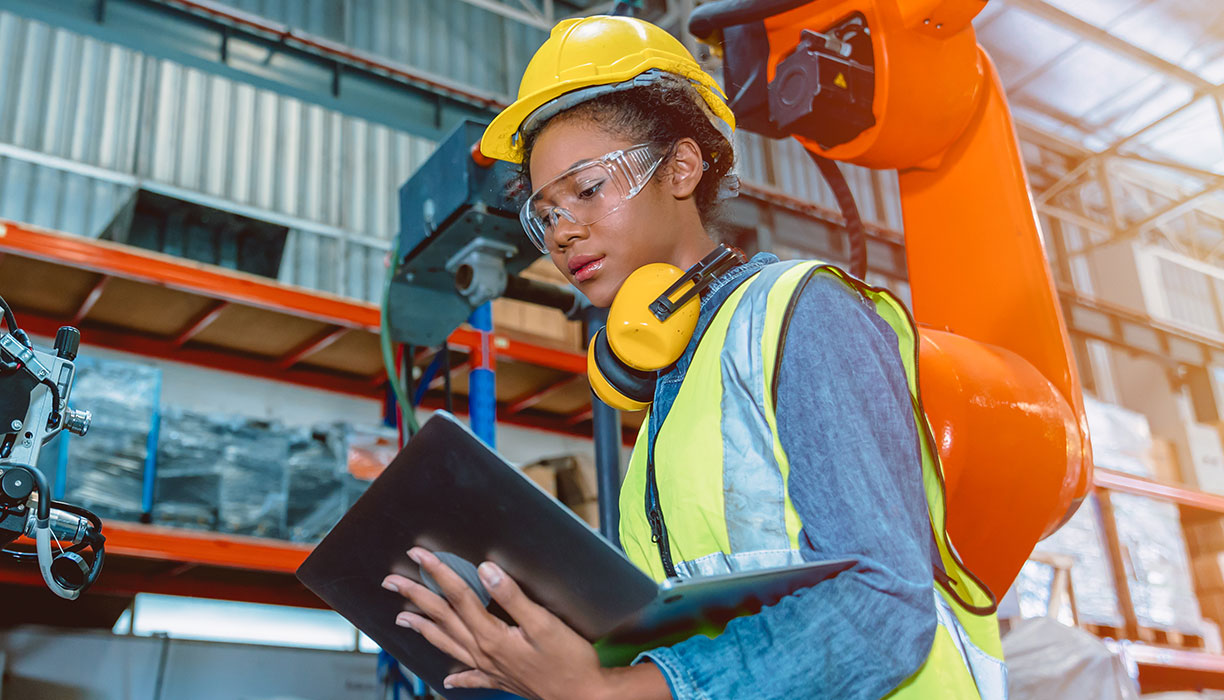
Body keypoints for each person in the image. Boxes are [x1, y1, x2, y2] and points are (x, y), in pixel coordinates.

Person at [379, 16, 1006, 700]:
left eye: (587, 189)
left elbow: (882, 609)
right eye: (546, 213)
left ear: (681, 167)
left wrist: (610, 692)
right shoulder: (663, 409)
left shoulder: (800, 313)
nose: (564, 233)